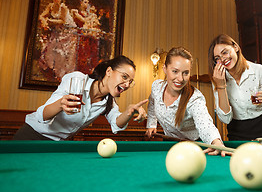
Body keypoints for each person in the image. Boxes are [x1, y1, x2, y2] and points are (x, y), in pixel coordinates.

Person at [13, 56, 148, 141]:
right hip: (31, 136)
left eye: (131, 82)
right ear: (108, 71)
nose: (127, 85)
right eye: (124, 77)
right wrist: (61, 104)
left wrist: (129, 112)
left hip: (58, 145)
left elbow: (116, 124)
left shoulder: (108, 102)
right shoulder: (76, 80)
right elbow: (41, 116)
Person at [145, 47, 230, 156]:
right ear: (165, 69)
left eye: (185, 73)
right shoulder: (157, 87)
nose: (180, 79)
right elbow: (152, 103)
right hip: (170, 144)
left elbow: (205, 125)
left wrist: (217, 143)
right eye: (175, 71)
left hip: (194, 147)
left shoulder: (194, 98)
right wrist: (151, 124)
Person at [207, 34, 262, 141]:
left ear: (235, 47)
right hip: (236, 133)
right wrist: (221, 86)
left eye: (225, 52)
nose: (223, 59)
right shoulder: (218, 79)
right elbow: (225, 119)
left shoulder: (260, 71)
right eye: (217, 58)